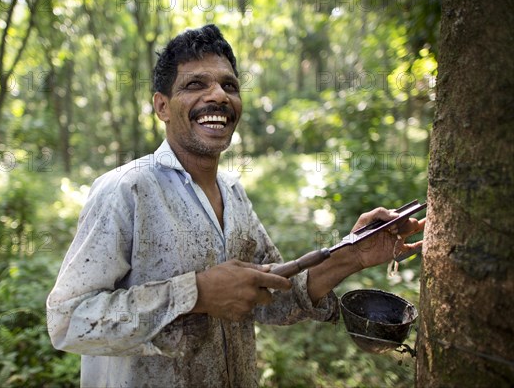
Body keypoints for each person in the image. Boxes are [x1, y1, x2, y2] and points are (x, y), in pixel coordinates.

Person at [46, 24, 424, 387]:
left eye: (229, 85)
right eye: (196, 84)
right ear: (162, 106)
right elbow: (67, 321)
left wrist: (354, 254)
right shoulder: (126, 189)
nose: (219, 96)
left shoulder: (234, 194)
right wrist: (195, 294)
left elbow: (275, 295)